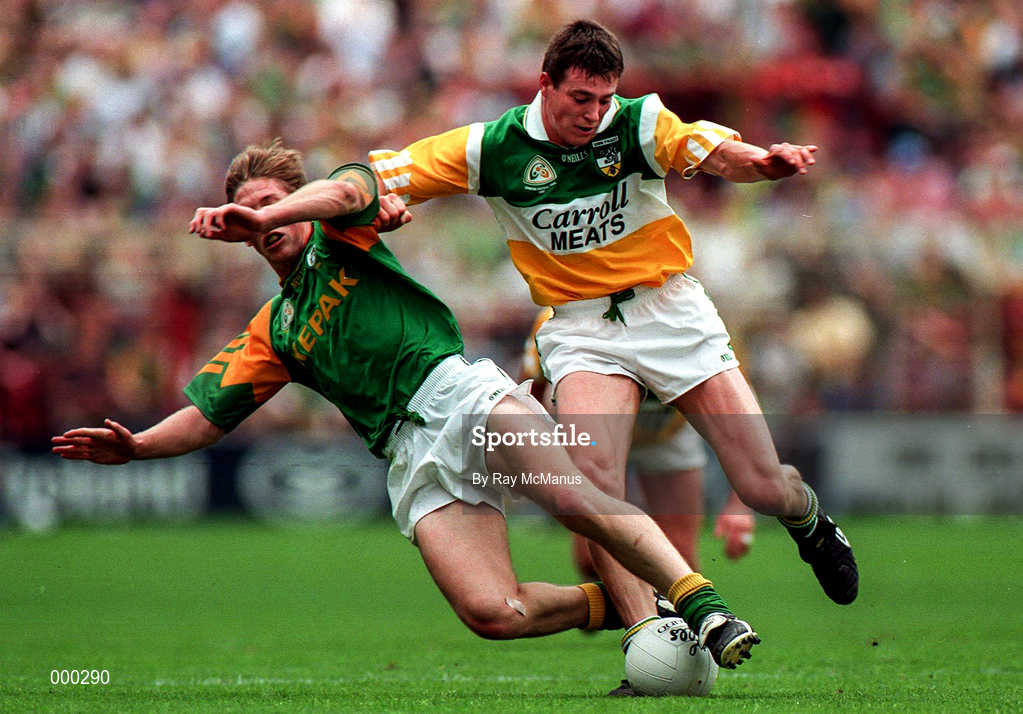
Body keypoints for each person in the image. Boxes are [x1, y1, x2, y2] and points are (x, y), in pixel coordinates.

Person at [51, 140, 761, 685]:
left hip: (461, 394)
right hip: (409, 455)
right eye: (250, 213)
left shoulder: (340, 235)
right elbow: (207, 416)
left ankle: (702, 607)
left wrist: (275, 208)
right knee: (494, 614)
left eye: (272, 204)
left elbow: (350, 191)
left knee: (575, 495)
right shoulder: (275, 328)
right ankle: (622, 607)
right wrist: (139, 447)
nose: (263, 221)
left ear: (292, 204)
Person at [369, 18, 858, 642]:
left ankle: (811, 521)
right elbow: (386, 172)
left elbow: (710, 150)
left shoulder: (638, 123)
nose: (595, 113)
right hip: (580, 329)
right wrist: (375, 202)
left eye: (605, 99)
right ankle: (649, 638)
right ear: (545, 85)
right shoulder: (490, 148)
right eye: (581, 99)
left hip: (671, 310)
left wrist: (764, 162)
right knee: (593, 490)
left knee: (762, 485)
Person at [521, 308, 755, 577]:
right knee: (592, 558)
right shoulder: (558, 315)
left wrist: (740, 504)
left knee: (681, 557)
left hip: (665, 435)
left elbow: (743, 418)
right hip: (597, 433)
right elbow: (530, 390)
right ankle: (641, 615)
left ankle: (673, 615)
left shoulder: (696, 316)